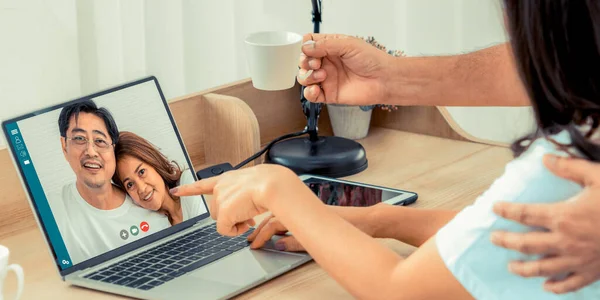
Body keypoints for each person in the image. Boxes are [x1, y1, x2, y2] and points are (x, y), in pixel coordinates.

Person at [170, 1, 600, 298]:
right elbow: (503, 239)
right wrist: (375, 220)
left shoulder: (568, 166)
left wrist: (278, 187)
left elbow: (401, 289)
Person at [57, 101, 170, 264]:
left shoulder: (153, 215)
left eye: (100, 141)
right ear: (64, 146)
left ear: (113, 149)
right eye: (80, 138)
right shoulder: (51, 208)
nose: (91, 151)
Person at [112, 131, 205, 226]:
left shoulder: (188, 182)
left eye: (141, 172)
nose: (141, 189)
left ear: (154, 163)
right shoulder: (153, 225)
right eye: (130, 184)